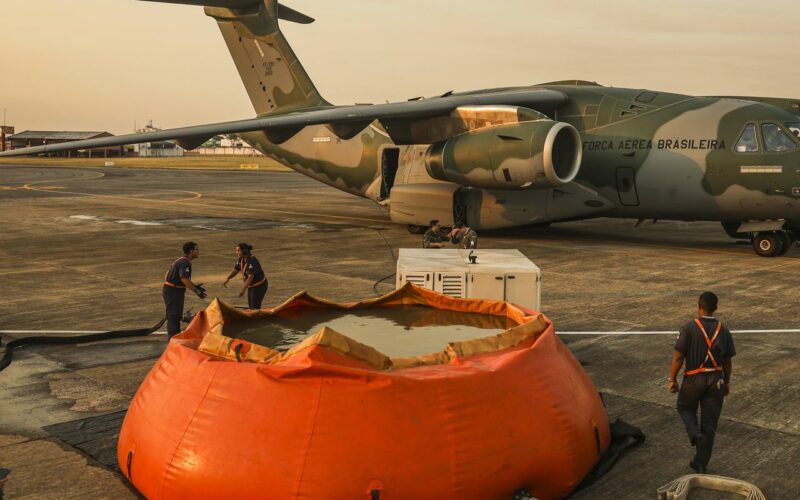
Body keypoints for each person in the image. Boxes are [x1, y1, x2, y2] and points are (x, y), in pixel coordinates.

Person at [668, 291, 735, 474]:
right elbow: (728, 362)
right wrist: (726, 383)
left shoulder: (689, 328)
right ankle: (700, 462)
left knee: (685, 407)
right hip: (716, 381)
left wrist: (672, 379)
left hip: (693, 380)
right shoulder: (724, 330)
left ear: (699, 306)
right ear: (716, 308)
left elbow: (678, 356)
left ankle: (694, 433)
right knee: (710, 424)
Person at [162, 242, 206, 339]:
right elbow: (184, 279)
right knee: (174, 316)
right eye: (196, 249)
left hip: (173, 290)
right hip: (173, 291)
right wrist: (197, 291)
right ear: (191, 251)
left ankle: (174, 338)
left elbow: (167, 275)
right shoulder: (185, 262)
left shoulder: (181, 261)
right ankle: (172, 341)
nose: (198, 252)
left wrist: (194, 286)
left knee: (176, 315)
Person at [223, 242, 268, 309]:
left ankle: (257, 317)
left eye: (238, 251)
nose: (237, 252)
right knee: (251, 305)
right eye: (236, 251)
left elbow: (250, 277)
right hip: (251, 285)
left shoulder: (252, 260)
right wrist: (228, 278)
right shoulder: (240, 259)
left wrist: (243, 289)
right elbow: (235, 270)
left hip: (259, 285)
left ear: (244, 251)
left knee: (255, 306)